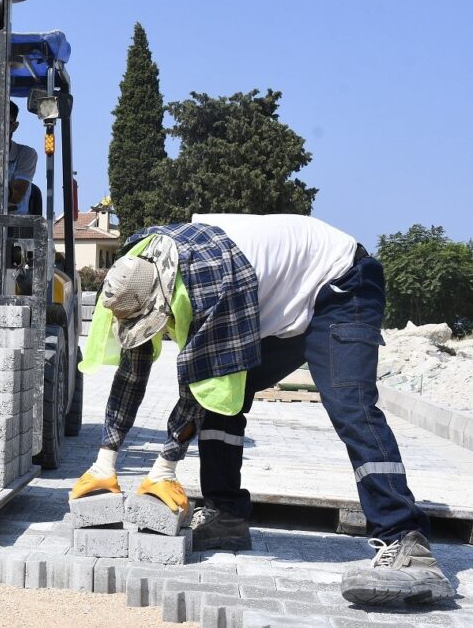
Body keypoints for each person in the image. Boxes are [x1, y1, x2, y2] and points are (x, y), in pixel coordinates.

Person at [73, 213, 453, 606]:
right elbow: (132, 375)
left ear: (167, 297)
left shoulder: (206, 285)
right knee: (224, 395)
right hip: (273, 297)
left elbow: (195, 384)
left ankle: (406, 540)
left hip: (342, 283)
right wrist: (105, 461)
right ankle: (227, 516)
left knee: (349, 403)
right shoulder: (131, 274)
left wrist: (165, 466)